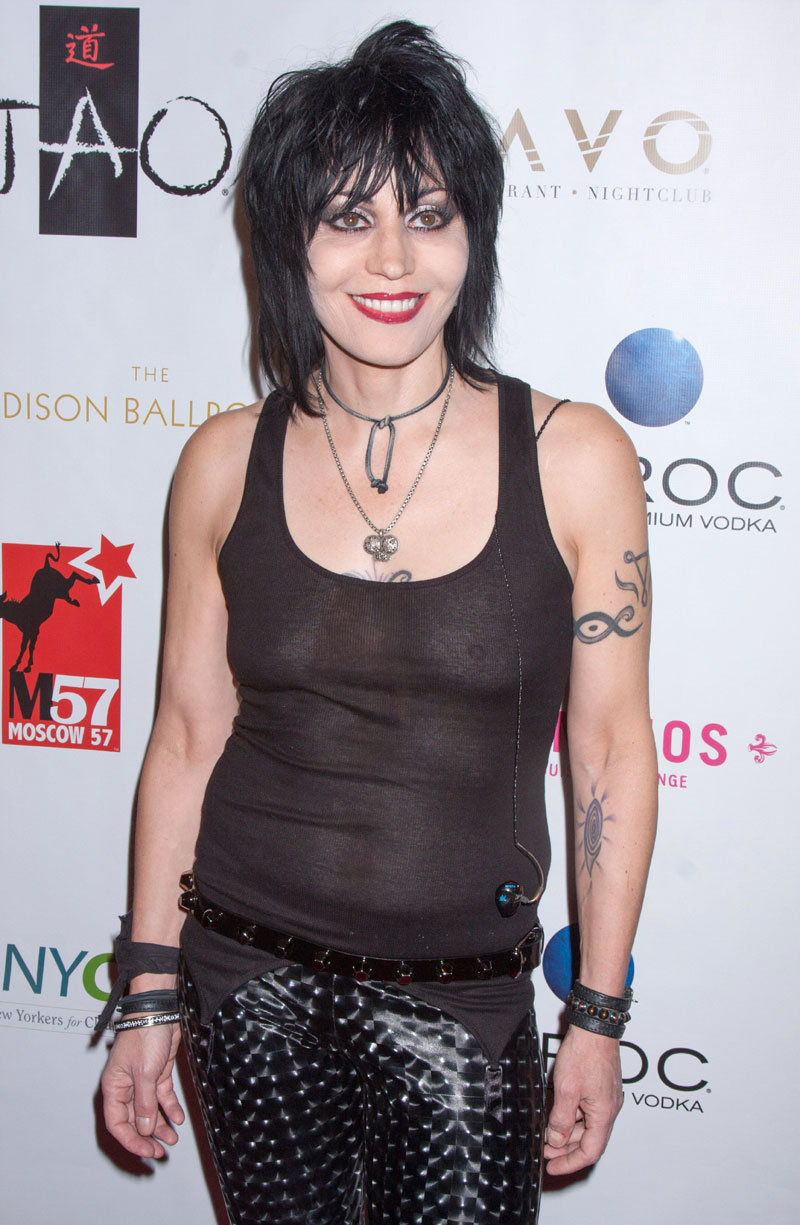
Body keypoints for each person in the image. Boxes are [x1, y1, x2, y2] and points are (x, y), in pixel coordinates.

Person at [99, 20, 657, 1225]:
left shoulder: (574, 457)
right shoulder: (221, 461)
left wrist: (597, 1015)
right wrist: (148, 987)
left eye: (430, 213)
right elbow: (187, 736)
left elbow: (610, 753)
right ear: (287, 239)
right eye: (347, 217)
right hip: (245, 983)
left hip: (465, 998)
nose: (393, 257)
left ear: (473, 233)